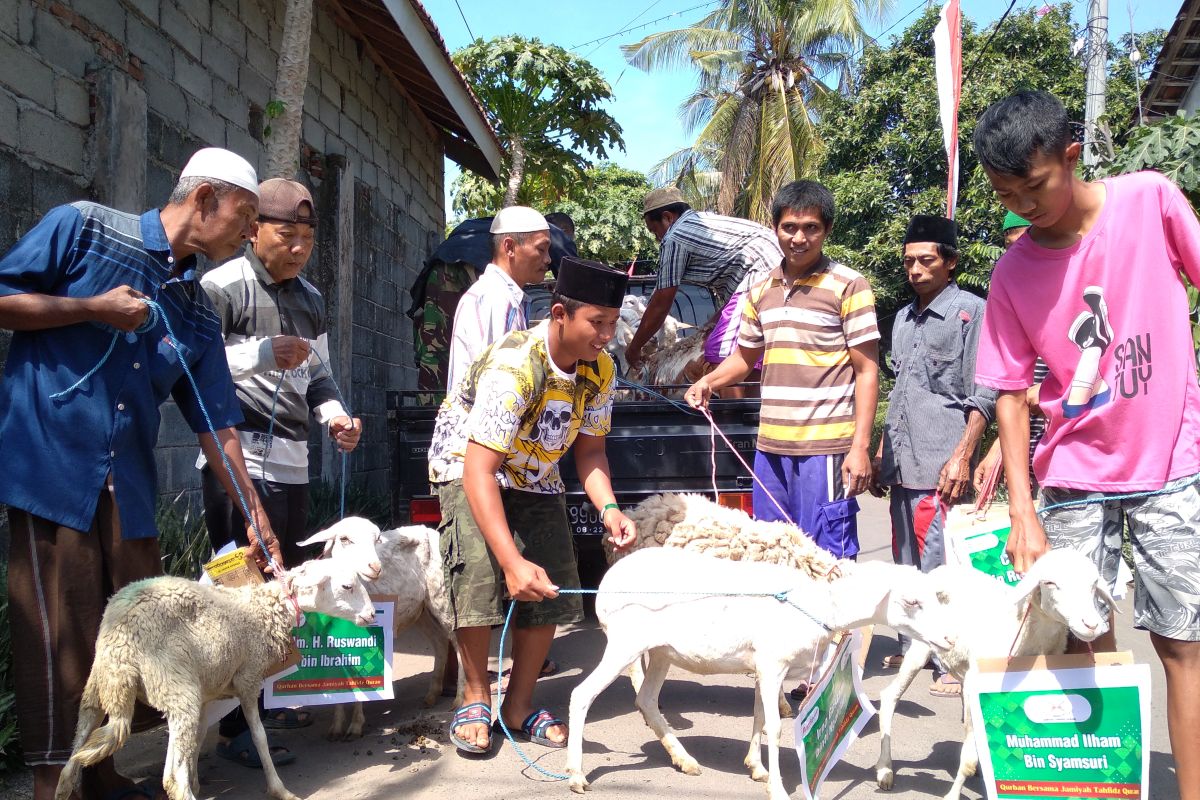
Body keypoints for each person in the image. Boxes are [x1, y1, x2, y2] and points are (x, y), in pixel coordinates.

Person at [0, 147, 282, 800]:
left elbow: (219, 424)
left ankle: (101, 772)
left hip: (127, 486)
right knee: (59, 632)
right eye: (244, 216)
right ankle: (54, 780)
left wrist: (255, 514)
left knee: (132, 630)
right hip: (53, 468)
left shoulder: (196, 310)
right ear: (205, 199)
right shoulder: (85, 228)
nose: (249, 234)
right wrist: (91, 308)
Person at [973, 89, 1200, 800]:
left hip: (1171, 465)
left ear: (1071, 158)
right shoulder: (1011, 273)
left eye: (1034, 186)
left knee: (1183, 643)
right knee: (1083, 639)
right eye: (1005, 193)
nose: (1024, 205)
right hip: (1072, 476)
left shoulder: (1150, 201)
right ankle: (1102, 788)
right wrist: (1022, 511)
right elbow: (1010, 393)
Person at [428, 256, 637, 754]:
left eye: (613, 322)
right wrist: (509, 561)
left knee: (548, 579)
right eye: (598, 322)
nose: (607, 335)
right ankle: (475, 698)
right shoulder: (515, 365)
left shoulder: (600, 369)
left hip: (534, 469)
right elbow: (480, 470)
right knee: (480, 572)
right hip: (468, 462)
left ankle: (518, 705)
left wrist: (609, 509)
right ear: (561, 313)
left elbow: (590, 452)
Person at [198, 178, 362, 765]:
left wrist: (337, 416)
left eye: (307, 238)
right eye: (286, 234)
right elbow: (192, 365)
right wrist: (262, 354)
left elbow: (317, 373)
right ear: (253, 231)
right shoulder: (221, 286)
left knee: (284, 584)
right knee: (240, 590)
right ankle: (234, 728)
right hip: (234, 454)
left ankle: (265, 700)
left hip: (293, 457)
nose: (297, 248)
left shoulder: (311, 297)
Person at [684, 180, 879, 556]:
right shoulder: (760, 289)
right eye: (790, 227)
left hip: (825, 449)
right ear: (775, 228)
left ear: (827, 230)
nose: (799, 238)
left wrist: (861, 447)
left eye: (811, 228)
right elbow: (743, 359)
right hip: (770, 448)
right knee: (773, 554)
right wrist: (707, 381)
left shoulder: (849, 285)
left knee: (827, 557)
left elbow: (867, 371)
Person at [871, 214, 996, 695]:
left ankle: (950, 659)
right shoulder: (903, 318)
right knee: (905, 562)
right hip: (904, 460)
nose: (916, 270)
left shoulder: (971, 312)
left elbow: (982, 393)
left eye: (926, 260)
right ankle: (911, 646)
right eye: (909, 262)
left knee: (940, 564)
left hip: (942, 459)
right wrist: (885, 448)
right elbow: (899, 389)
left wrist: (963, 455)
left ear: (951, 262)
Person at [626, 187, 783, 377]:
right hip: (777, 270)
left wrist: (634, 348)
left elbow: (661, 303)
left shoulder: (675, 236)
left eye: (655, 231)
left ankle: (736, 407)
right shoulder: (702, 222)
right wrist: (707, 327)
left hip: (763, 273)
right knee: (739, 347)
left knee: (720, 354)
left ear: (668, 217)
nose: (658, 239)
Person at [445, 206, 550, 395]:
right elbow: (491, 387)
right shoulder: (493, 299)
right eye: (541, 249)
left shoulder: (509, 299)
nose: (548, 259)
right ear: (509, 247)